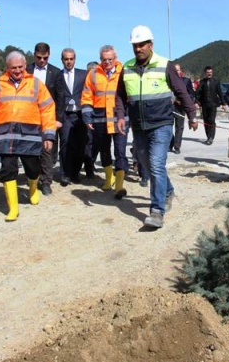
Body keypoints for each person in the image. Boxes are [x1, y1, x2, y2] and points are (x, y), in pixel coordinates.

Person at [116, 25, 198, 229]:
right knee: (145, 162)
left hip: (161, 123)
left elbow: (181, 91)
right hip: (138, 125)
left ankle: (157, 211)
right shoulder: (126, 67)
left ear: (151, 45)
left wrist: (191, 115)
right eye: (135, 45)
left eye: (142, 44)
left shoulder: (165, 65)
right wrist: (119, 115)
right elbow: (119, 95)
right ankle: (168, 190)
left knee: (155, 164)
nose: (138, 49)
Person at [0, 51, 57, 221]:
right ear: (7, 68)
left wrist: (49, 135)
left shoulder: (36, 84)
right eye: (13, 68)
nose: (17, 70)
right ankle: (13, 208)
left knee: (33, 168)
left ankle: (32, 188)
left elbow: (48, 109)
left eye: (20, 67)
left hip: (31, 136)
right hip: (6, 136)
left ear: (25, 66)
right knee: (8, 170)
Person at [81, 45, 129, 199]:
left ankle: (119, 185)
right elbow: (87, 95)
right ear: (100, 59)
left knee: (120, 151)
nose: (107, 62)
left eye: (110, 59)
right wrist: (87, 115)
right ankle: (109, 179)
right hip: (100, 118)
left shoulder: (125, 72)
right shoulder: (93, 74)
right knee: (104, 150)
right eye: (104, 59)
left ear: (115, 58)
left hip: (120, 117)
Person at [26, 42, 68, 195]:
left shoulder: (56, 73)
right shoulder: (26, 70)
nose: (42, 61)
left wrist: (58, 119)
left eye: (45, 58)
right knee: (30, 150)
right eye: (39, 57)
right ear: (34, 55)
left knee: (47, 151)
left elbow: (60, 98)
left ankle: (46, 182)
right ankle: (32, 177)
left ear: (49, 55)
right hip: (29, 117)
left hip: (48, 117)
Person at [59, 48, 90, 185]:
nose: (69, 61)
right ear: (62, 60)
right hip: (65, 115)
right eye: (66, 59)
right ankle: (65, 173)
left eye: (71, 59)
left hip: (80, 115)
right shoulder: (57, 75)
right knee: (65, 143)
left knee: (80, 145)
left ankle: (75, 173)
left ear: (75, 59)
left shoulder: (83, 75)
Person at [170, 63, 195, 154]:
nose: (176, 71)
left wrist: (184, 100)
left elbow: (192, 94)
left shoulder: (186, 81)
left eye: (178, 70)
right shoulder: (168, 80)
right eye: (175, 70)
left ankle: (177, 146)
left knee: (179, 127)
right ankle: (170, 143)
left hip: (180, 108)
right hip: (169, 107)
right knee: (168, 127)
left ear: (181, 71)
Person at [195, 65, 223, 145]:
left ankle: (211, 137)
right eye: (208, 72)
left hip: (213, 104)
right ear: (205, 73)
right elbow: (197, 93)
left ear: (212, 72)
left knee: (211, 120)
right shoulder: (202, 82)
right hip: (204, 104)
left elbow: (220, 93)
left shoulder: (216, 81)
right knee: (206, 121)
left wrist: (223, 103)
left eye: (210, 72)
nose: (209, 74)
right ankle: (208, 136)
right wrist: (196, 102)